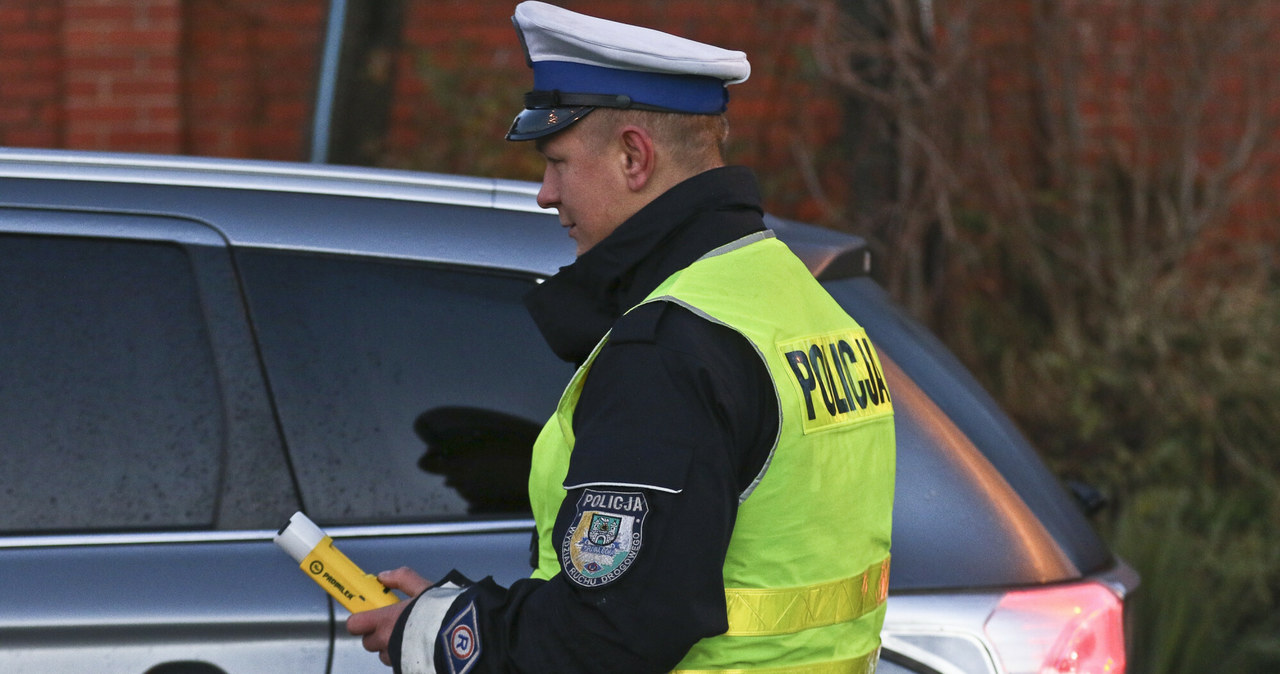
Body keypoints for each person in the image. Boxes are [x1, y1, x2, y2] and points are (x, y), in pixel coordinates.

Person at [347, 2, 896, 672]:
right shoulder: (801, 302)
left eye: (558, 162)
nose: (545, 194)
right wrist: (453, 613)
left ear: (634, 157)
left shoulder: (669, 348)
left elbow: (608, 633)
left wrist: (441, 636)